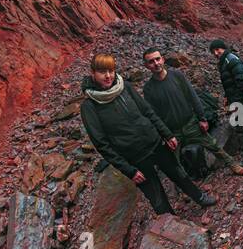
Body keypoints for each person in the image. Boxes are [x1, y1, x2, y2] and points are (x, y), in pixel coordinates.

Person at [79, 53, 215, 214]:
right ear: (92, 73)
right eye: (102, 72)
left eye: (111, 70)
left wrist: (167, 134)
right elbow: (102, 144)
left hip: (155, 143)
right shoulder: (89, 106)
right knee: (155, 194)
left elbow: (147, 111)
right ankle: (169, 224)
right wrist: (129, 170)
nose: (108, 76)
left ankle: (199, 197)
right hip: (135, 158)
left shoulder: (125, 87)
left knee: (178, 173)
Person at [141, 47, 243, 176]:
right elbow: (154, 116)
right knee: (175, 162)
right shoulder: (149, 89)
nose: (156, 63)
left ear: (163, 59)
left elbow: (192, 96)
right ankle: (183, 189)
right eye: (151, 61)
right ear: (147, 66)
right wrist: (166, 136)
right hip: (173, 132)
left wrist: (202, 118)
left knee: (213, 146)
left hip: (191, 124)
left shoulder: (177, 76)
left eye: (157, 59)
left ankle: (232, 164)